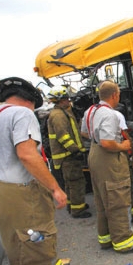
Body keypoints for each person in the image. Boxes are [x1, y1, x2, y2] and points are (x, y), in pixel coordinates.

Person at [0, 77, 75, 265]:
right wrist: (55, 188)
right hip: (17, 192)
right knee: (32, 250)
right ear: (28, 100)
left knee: (18, 247)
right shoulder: (21, 113)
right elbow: (27, 154)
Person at [81, 80, 133, 253]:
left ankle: (106, 238)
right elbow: (108, 143)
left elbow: (85, 133)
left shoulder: (91, 111)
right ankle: (123, 241)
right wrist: (123, 146)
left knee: (102, 199)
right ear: (115, 95)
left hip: (94, 155)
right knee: (117, 198)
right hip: (108, 157)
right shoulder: (110, 115)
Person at [47, 85, 91, 219]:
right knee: (76, 181)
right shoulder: (58, 116)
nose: (69, 101)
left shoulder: (63, 112)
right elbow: (63, 137)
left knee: (69, 182)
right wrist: (75, 150)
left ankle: (72, 205)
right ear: (60, 100)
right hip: (68, 156)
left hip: (66, 156)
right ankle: (78, 210)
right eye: (66, 99)